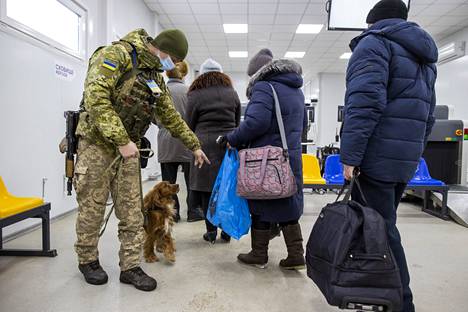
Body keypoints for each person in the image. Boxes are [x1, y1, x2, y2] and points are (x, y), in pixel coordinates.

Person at [74, 28, 209, 291]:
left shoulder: (154, 78)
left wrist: (194, 145)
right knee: (92, 209)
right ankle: (88, 260)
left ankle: (131, 266)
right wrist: (122, 140)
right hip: (97, 145)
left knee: (134, 213)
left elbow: (169, 115)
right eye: (172, 59)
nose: (171, 65)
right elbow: (96, 99)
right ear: (163, 50)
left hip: (128, 151)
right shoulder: (116, 55)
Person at [340, 1, 437, 311]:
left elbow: (364, 105)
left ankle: (400, 303)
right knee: (377, 227)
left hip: (376, 158)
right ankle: (373, 295)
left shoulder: (374, 45)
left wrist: (350, 156)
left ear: (373, 23)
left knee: (381, 231)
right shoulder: (424, 57)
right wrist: (413, 153)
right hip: (404, 159)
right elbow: (429, 116)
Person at [225, 49, 307, 270]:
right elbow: (302, 127)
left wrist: (233, 138)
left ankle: (259, 254)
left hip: (266, 161)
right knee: (287, 201)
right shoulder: (296, 90)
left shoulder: (264, 87)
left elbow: (255, 123)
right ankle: (296, 255)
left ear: (257, 74)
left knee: (260, 201)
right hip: (290, 157)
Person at [186, 58, 241, 243]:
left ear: (202, 74)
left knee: (206, 191)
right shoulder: (231, 93)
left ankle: (211, 232)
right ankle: (226, 231)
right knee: (226, 188)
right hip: (228, 145)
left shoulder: (196, 93)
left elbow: (189, 124)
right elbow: (237, 121)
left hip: (204, 146)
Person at [158, 61, 204, 223]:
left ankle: (173, 213)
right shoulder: (190, 92)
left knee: (168, 183)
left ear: (166, 73)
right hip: (187, 142)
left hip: (166, 141)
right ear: (183, 75)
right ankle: (192, 212)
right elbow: (196, 116)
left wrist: (162, 125)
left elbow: (152, 115)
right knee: (191, 181)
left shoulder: (159, 91)